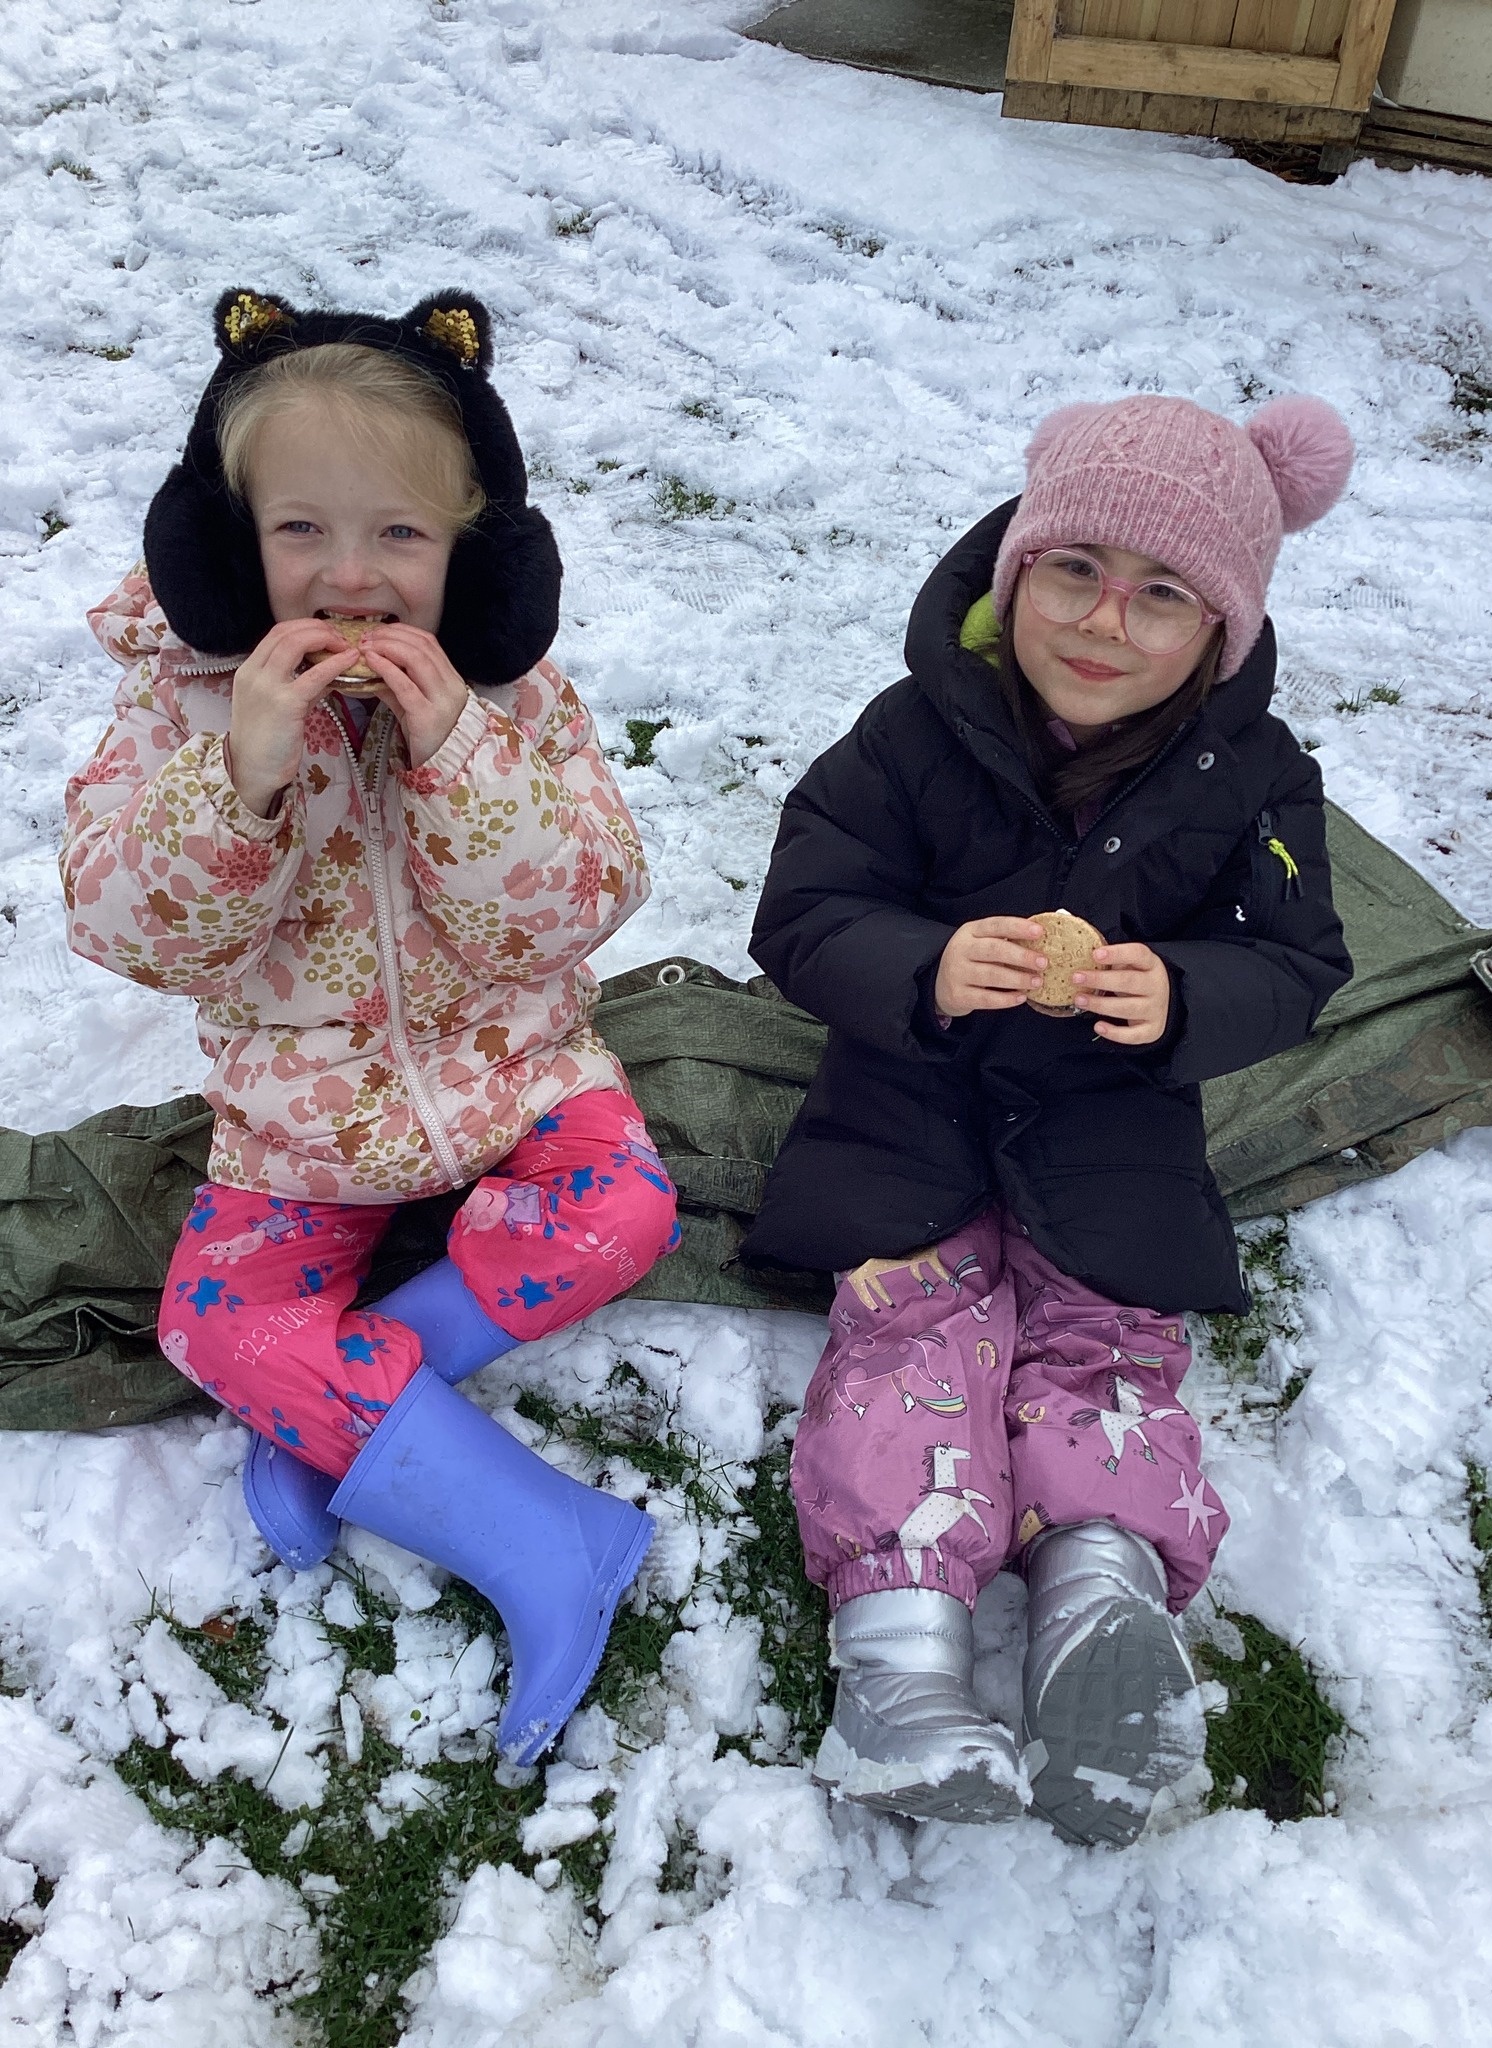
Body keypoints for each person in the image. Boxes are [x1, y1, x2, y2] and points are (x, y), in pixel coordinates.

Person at [61, 289, 679, 1764]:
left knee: (628, 1211)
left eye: (399, 535)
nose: (351, 578)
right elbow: (120, 925)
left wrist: (461, 750)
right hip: (303, 1119)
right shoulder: (186, 707)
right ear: (226, 542)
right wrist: (241, 782)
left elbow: (584, 897)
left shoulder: (514, 696)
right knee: (213, 1323)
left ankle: (329, 1419)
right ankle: (546, 1539)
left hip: (514, 1080)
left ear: (471, 549)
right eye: (301, 535)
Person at [740, 393, 1355, 1843]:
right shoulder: (910, 737)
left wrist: (1189, 994)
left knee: (1110, 1341)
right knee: (909, 1336)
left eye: (1162, 598)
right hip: (909, 1105)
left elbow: (1300, 959)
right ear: (1015, 576)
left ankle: (1104, 1604)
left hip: (1112, 1129)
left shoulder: (1253, 778)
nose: (1104, 623)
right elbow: (804, 906)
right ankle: (895, 1667)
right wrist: (929, 966)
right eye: (1073, 571)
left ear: (1220, 633)